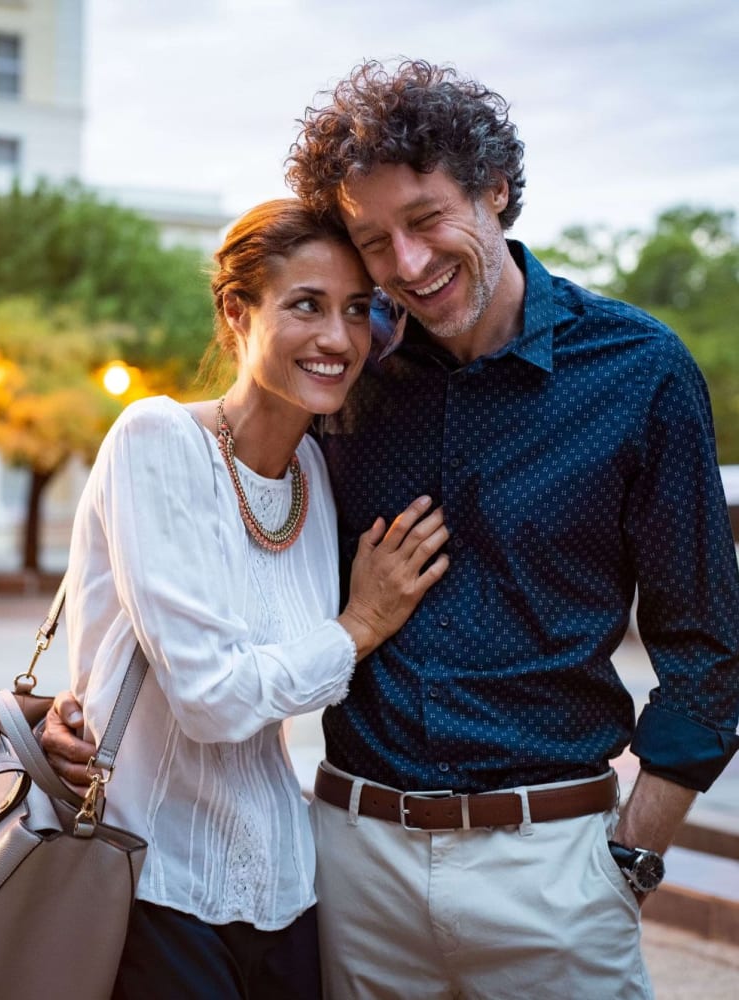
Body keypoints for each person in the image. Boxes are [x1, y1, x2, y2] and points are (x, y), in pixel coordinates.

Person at [279, 59, 739, 998]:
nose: (406, 265)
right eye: (373, 241)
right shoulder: (344, 378)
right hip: (355, 867)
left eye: (426, 219)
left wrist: (629, 860)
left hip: (554, 872)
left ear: (494, 190)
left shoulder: (639, 372)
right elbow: (225, 530)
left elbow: (710, 650)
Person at [41, 198, 450, 1000]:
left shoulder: (315, 478)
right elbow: (213, 702)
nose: (338, 338)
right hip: (157, 886)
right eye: (306, 304)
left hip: (290, 893)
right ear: (237, 311)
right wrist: (359, 625)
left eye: (357, 310)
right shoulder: (156, 440)